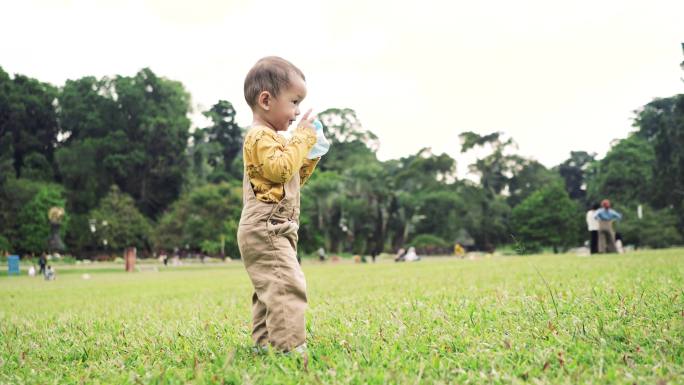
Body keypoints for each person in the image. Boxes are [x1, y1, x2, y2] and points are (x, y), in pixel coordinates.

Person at [237, 57, 323, 355]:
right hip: (266, 228)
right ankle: (288, 347)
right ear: (266, 100)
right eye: (294, 101)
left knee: (270, 288)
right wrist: (300, 138)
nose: (298, 111)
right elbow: (280, 169)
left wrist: (309, 155)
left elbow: (292, 178)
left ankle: (264, 344)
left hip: (275, 227)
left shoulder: (272, 139)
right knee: (286, 284)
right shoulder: (259, 136)